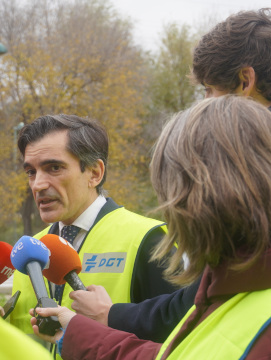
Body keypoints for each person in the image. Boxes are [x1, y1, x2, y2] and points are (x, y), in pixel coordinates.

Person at [72, 8, 271, 359]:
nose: (204, 106)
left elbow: (209, 298)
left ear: (245, 81)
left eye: (209, 91)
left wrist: (111, 315)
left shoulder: (269, 168)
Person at [32, 95, 271, 360]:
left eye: (173, 194)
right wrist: (75, 334)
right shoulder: (244, 283)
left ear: (209, 199)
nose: (171, 211)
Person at [10, 114, 179, 357]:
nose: (38, 184)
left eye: (54, 168)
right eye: (31, 172)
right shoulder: (25, 252)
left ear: (95, 173)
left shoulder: (147, 239)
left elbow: (181, 343)